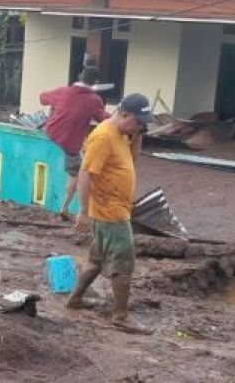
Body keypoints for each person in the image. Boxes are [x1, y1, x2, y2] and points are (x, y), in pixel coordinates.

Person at [67, 93, 153, 334]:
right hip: (110, 212)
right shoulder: (104, 136)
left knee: (96, 260)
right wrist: (82, 211)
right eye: (138, 122)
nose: (140, 126)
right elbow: (86, 174)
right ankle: (121, 316)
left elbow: (132, 162)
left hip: (114, 209)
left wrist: (137, 136)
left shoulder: (122, 134)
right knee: (125, 263)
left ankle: (75, 299)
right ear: (124, 115)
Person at [40, 66, 108, 220]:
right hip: (70, 144)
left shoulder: (63, 91)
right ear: (95, 82)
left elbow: (42, 98)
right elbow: (103, 119)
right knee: (79, 174)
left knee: (79, 163)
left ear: (79, 76)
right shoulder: (94, 100)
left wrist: (55, 106)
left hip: (51, 132)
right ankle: (67, 209)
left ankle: (65, 209)